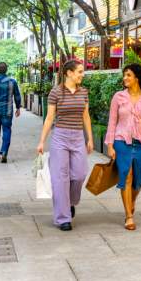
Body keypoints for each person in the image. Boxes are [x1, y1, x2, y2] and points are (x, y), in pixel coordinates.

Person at [36, 60, 94, 231]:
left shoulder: (83, 92)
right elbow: (49, 118)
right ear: (69, 73)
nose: (82, 75)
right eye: (80, 72)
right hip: (60, 136)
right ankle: (63, 218)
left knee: (80, 174)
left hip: (77, 137)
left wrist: (89, 138)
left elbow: (86, 116)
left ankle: (70, 202)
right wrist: (42, 141)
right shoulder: (56, 92)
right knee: (60, 178)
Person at [105, 64, 141, 231]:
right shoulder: (118, 97)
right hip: (121, 142)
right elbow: (112, 122)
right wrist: (109, 145)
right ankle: (129, 216)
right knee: (126, 176)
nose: (125, 78)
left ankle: (132, 200)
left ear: (137, 77)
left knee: (138, 180)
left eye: (128, 75)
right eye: (124, 75)